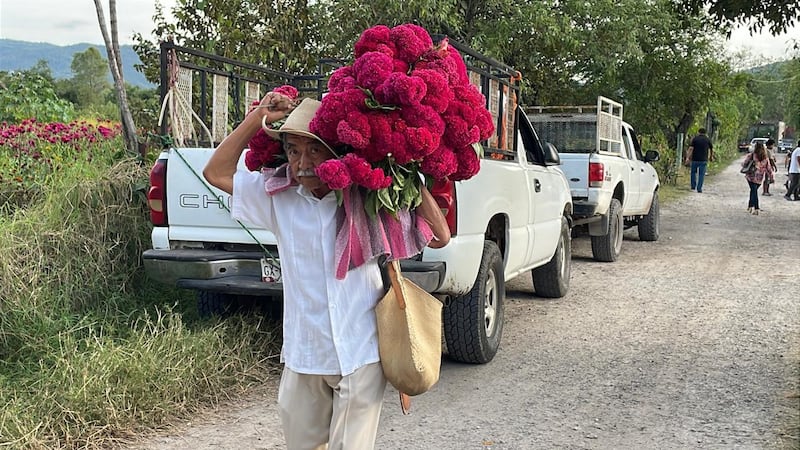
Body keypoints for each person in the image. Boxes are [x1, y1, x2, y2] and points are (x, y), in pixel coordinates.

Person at [203, 94, 451, 449]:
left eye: (314, 151)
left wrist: (404, 172)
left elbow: (440, 235)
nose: (302, 163)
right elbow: (216, 172)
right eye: (292, 151)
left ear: (334, 151)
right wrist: (257, 116)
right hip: (304, 354)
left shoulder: (369, 198)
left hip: (360, 354)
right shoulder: (278, 197)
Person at [742, 142, 774, 215]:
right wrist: (771, 177)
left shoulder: (752, 155)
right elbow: (768, 168)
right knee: (753, 191)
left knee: (753, 191)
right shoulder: (765, 157)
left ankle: (756, 208)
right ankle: (750, 206)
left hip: (751, 176)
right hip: (760, 177)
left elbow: (744, 163)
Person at [684, 128, 714, 193]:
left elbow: (691, 149)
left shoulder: (695, 139)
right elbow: (711, 149)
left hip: (695, 159)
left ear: (699, 132)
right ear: (705, 133)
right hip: (703, 160)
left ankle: (693, 186)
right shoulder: (707, 140)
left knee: (693, 173)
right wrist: (711, 157)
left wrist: (688, 158)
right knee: (701, 174)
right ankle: (699, 188)